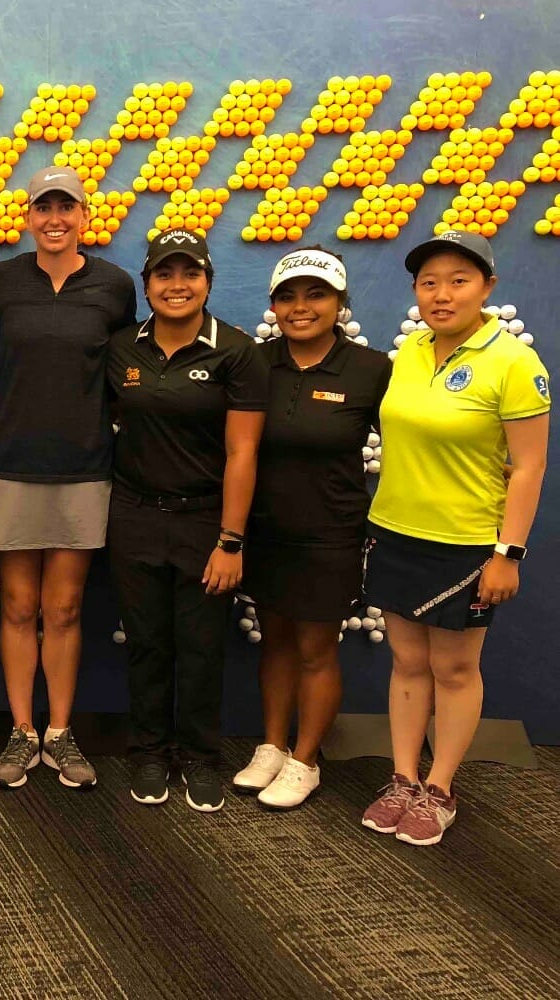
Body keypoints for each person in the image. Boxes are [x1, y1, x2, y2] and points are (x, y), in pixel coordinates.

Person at [360, 231, 549, 846]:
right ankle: (402, 778)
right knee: (408, 662)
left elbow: (529, 467)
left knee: (455, 668)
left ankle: (439, 789)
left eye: (458, 281)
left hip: (467, 544)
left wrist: (507, 553)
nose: (442, 295)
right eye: (429, 282)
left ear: (487, 287)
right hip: (394, 531)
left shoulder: (515, 362)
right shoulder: (411, 350)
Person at [0, 167, 136, 790]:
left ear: (84, 216)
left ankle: (60, 732)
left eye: (66, 207)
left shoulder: (115, 285)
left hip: (85, 468)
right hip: (11, 463)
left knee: (64, 608)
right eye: (44, 208)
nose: (55, 219)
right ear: (29, 217)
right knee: (18, 605)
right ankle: (22, 731)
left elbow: (123, 371)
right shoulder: (2, 280)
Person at [106, 229, 269, 812]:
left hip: (205, 521)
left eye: (190, 273)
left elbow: (243, 453)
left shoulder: (237, 351)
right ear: (147, 283)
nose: (177, 286)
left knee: (201, 647)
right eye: (164, 274)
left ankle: (199, 758)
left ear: (208, 281)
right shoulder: (122, 347)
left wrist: (231, 539)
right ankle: (148, 753)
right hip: (133, 515)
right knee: (147, 644)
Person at [233, 248, 391, 809]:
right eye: (288, 296)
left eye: (316, 294)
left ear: (340, 302)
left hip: (331, 533)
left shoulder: (372, 369)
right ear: (273, 305)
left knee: (316, 649)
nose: (301, 307)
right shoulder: (255, 362)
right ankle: (273, 746)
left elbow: (411, 442)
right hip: (265, 530)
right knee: (274, 640)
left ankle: (306, 760)